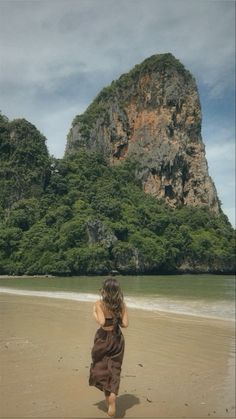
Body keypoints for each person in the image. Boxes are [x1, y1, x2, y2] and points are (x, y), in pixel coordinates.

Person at [89, 278, 129, 417]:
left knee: (101, 367)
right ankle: (113, 393)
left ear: (104, 290)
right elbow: (125, 324)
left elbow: (101, 322)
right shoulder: (121, 304)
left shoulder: (99, 303)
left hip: (103, 339)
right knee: (115, 368)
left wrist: (94, 312)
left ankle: (110, 400)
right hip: (117, 339)